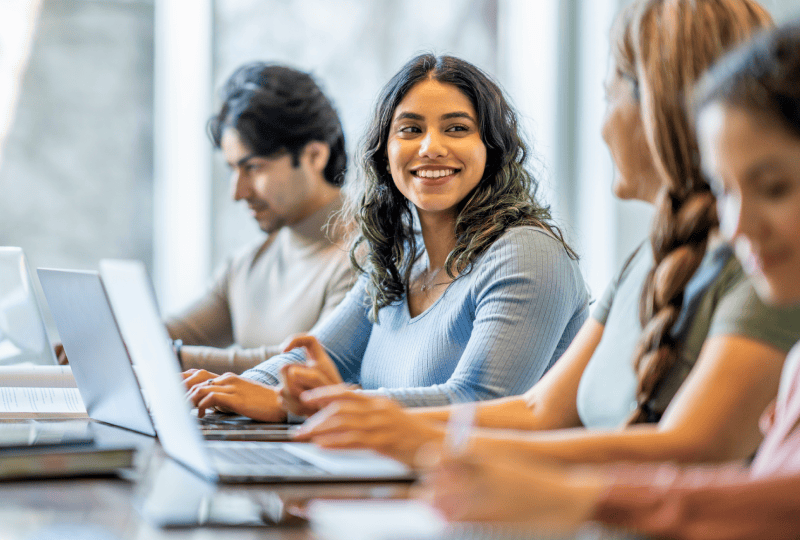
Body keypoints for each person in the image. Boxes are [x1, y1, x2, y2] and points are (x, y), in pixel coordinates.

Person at [291, 0, 800, 467]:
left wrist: (409, 435)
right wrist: (378, 423)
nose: (601, 128)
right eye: (409, 129)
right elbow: (538, 409)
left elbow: (691, 449)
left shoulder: (763, 260)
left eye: (608, 97)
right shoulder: (651, 255)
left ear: (660, 110)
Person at [423, 20, 800, 540]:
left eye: (776, 188)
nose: (737, 226)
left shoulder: (531, 252)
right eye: (725, 190)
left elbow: (735, 478)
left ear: (659, 113)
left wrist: (577, 496)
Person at [183, 54, 590, 422]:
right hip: (394, 486)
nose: (431, 147)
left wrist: (315, 404)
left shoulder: (527, 253)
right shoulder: (398, 258)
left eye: (457, 128)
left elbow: (479, 399)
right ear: (385, 152)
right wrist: (228, 390)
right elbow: (319, 356)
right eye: (410, 129)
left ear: (492, 149)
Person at [163, 62, 355, 374]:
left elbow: (312, 363)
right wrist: (111, 342)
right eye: (232, 170)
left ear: (315, 156)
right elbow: (168, 333)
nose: (237, 192)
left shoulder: (365, 258)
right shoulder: (247, 265)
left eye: (253, 167)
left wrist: (166, 358)